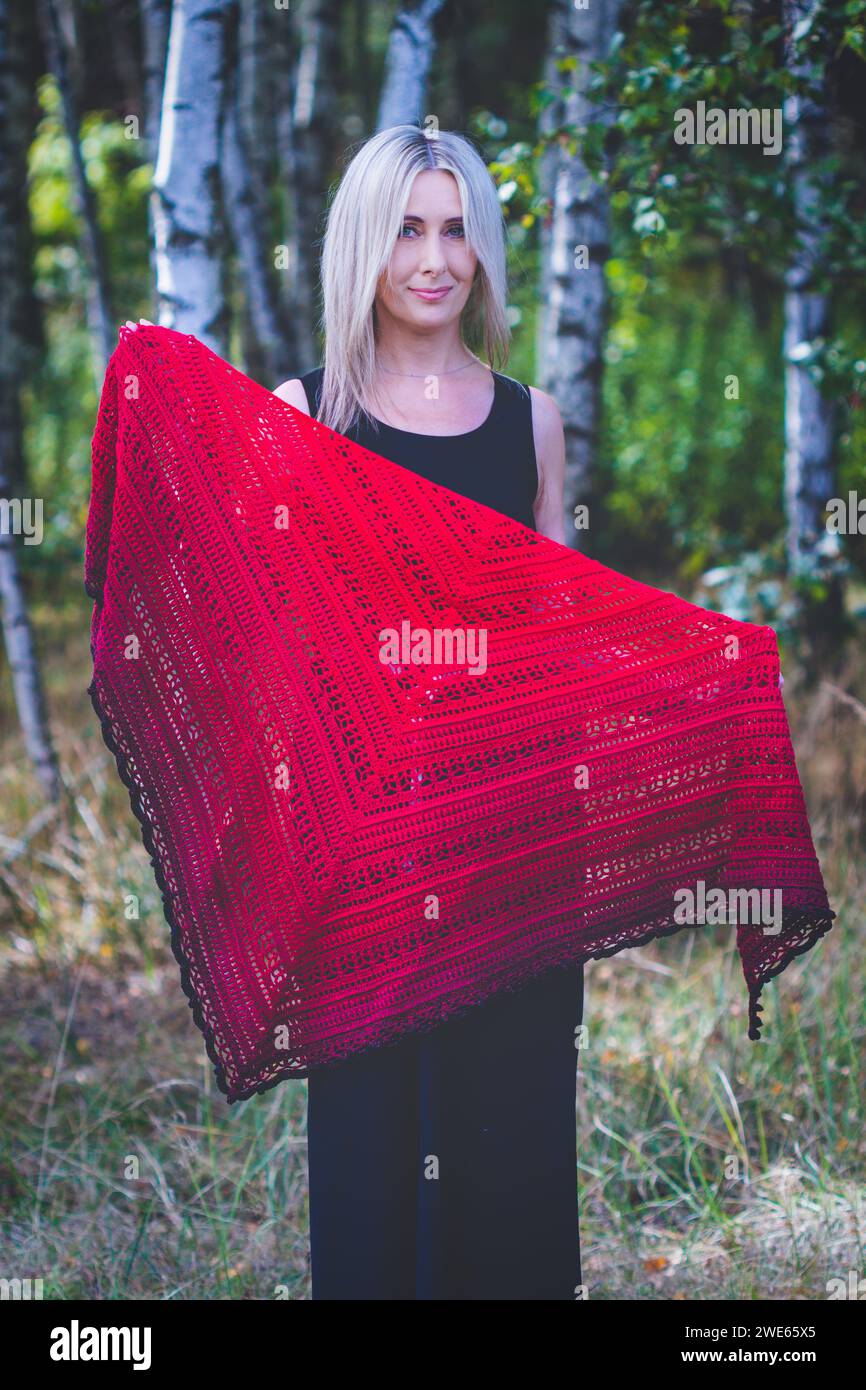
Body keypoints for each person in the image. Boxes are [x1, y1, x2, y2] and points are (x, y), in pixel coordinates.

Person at [274, 124, 585, 1302]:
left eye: (456, 229)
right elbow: (276, 641)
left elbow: (557, 639)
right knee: (370, 1153)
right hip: (364, 850)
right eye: (407, 227)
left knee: (506, 1144)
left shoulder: (530, 422)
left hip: (508, 840)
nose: (434, 258)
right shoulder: (307, 414)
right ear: (365, 240)